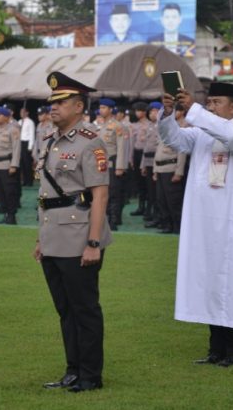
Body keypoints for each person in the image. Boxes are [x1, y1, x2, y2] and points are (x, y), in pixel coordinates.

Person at [159, 82, 233, 368]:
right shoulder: (202, 132)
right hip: (203, 220)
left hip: (232, 221)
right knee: (209, 281)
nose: (212, 107)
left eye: (218, 102)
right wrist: (168, 114)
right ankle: (216, 348)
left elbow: (231, 137)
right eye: (210, 101)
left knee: (232, 281)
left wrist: (195, 109)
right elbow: (173, 139)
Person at [34, 71, 112, 393]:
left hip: (80, 238)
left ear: (79, 106)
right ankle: (73, 370)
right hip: (54, 238)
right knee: (65, 310)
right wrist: (41, 239)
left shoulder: (90, 142)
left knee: (84, 309)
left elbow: (100, 195)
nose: (53, 107)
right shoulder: (51, 142)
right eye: (52, 102)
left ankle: (91, 375)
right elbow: (48, 197)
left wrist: (93, 243)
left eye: (61, 102)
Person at [152, 106, 188, 234]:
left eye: (176, 110)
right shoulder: (166, 127)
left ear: (182, 111)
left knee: (174, 200)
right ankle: (166, 224)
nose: (173, 113)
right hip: (161, 167)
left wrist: (179, 172)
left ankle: (178, 227)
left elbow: (182, 152)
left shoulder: (183, 127)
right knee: (161, 199)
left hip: (171, 168)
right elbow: (158, 150)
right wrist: (155, 170)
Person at [0, 105, 21, 224]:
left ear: (6, 117)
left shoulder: (13, 129)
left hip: (6, 164)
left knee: (9, 192)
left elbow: (17, 148)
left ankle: (11, 216)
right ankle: (6, 213)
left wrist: (14, 165)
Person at [96, 98, 126, 230]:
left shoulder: (118, 126)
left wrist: (120, 166)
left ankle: (114, 220)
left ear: (110, 109)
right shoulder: (101, 126)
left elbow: (121, 147)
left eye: (104, 108)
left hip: (112, 162)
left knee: (113, 192)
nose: (101, 110)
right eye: (100, 107)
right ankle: (106, 218)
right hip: (101, 163)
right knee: (102, 192)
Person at [129, 102, 150, 216]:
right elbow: (132, 143)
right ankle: (141, 206)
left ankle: (148, 208)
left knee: (147, 182)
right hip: (136, 153)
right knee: (139, 182)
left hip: (145, 154)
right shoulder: (134, 125)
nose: (137, 113)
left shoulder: (149, 125)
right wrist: (131, 158)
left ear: (144, 112)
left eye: (139, 110)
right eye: (136, 110)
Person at [19, 106, 36, 187]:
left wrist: (30, 146)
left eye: (23, 112)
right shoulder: (19, 122)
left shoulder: (30, 122)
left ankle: (30, 181)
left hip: (27, 143)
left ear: (27, 113)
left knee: (27, 163)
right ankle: (24, 180)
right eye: (21, 112)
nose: (22, 113)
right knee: (22, 163)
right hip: (20, 143)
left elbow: (31, 134)